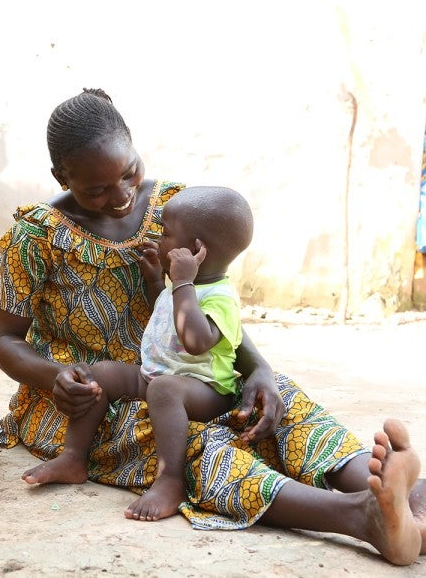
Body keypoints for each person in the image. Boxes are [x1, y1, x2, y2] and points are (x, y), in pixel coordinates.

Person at [0, 88, 426, 566]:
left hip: (189, 367)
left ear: (135, 148)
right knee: (189, 442)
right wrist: (59, 376)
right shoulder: (36, 239)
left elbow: (210, 305)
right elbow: (3, 343)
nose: (122, 194)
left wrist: (262, 369)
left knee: (274, 404)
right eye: (98, 189)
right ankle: (358, 516)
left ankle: (412, 500)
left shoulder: (175, 209)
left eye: (129, 171)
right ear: (63, 178)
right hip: (90, 398)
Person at [22, 186, 253, 522]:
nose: (160, 240)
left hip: (205, 390)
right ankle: (73, 457)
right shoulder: (182, 286)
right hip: (158, 376)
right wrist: (154, 282)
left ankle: (170, 479)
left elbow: (196, 341)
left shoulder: (220, 297)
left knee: (164, 389)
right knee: (97, 373)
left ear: (196, 250)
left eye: (167, 234)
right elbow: (167, 312)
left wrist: (183, 282)